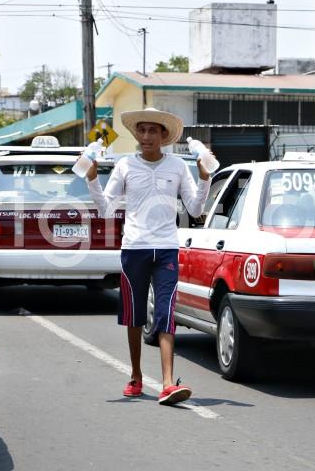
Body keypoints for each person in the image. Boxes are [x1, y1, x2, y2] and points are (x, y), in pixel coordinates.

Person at [84, 107, 213, 406]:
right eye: (141, 131)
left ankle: (168, 383)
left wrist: (205, 179)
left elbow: (194, 209)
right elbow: (105, 209)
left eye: (152, 131)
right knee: (134, 315)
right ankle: (136, 375)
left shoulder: (179, 166)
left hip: (167, 246)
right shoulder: (126, 166)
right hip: (134, 249)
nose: (146, 136)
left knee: (167, 310)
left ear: (164, 136)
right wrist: (92, 180)